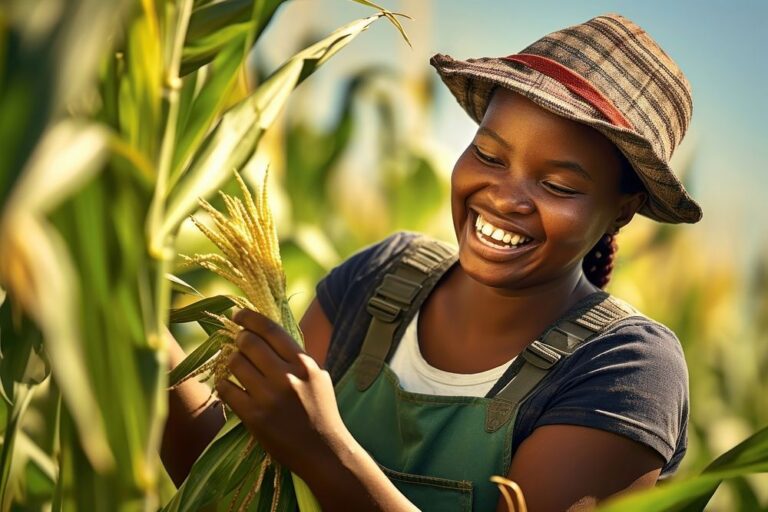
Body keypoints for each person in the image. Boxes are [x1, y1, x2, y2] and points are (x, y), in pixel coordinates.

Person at [161, 13, 701, 511]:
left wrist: (324, 449)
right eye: (488, 155)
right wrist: (130, 323)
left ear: (623, 210)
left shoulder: (627, 369)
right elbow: (233, 487)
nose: (504, 196)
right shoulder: (381, 279)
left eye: (557, 184)